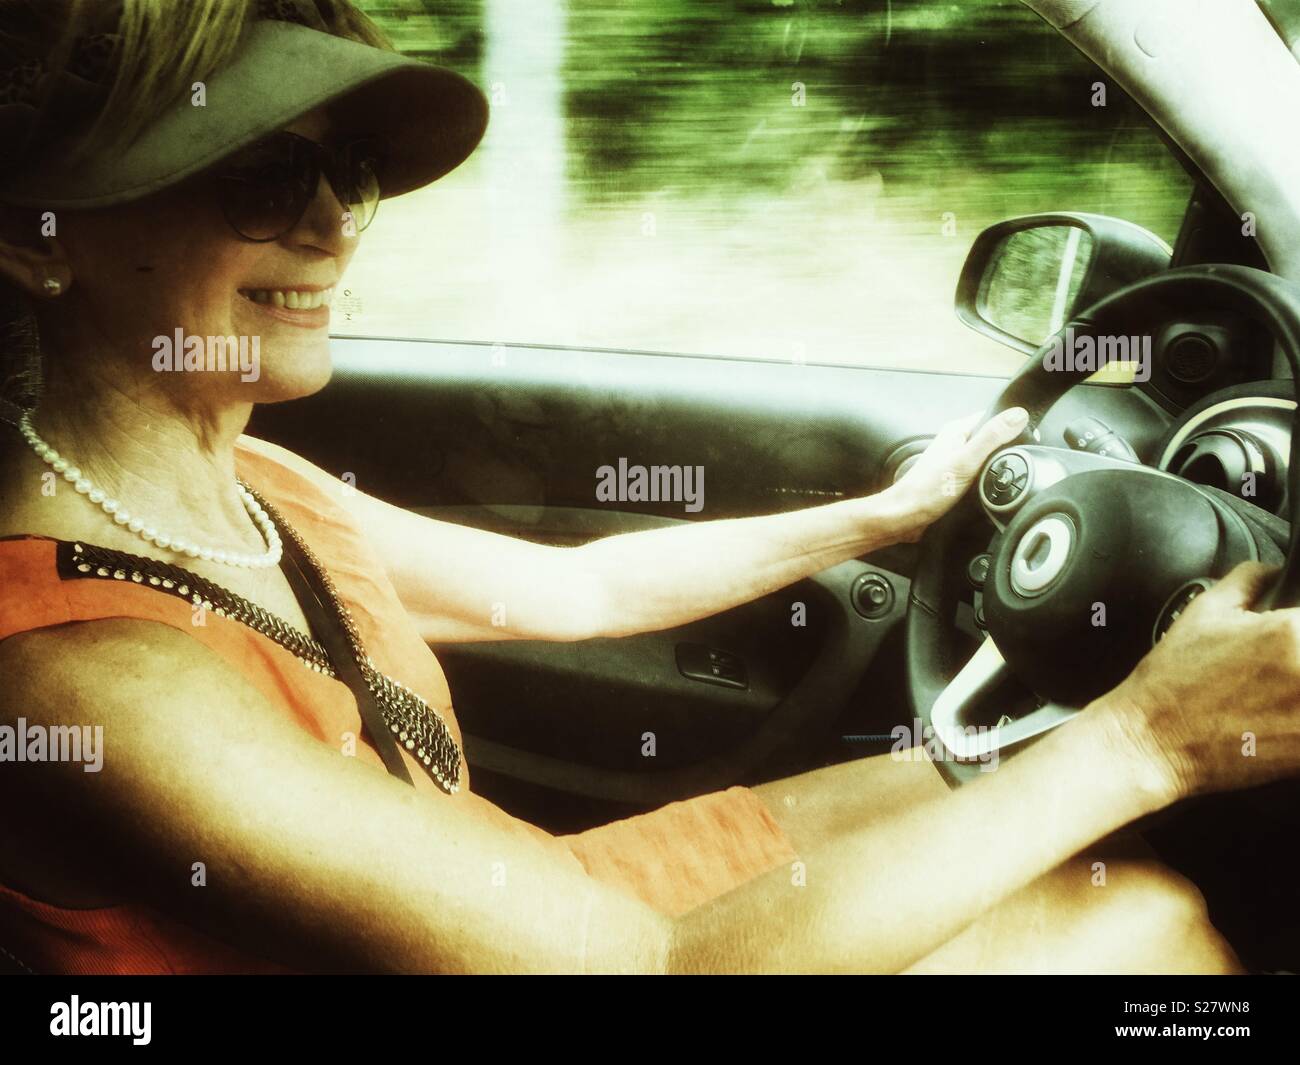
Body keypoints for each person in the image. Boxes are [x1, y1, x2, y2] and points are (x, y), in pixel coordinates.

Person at [0, 0, 1290, 975]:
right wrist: (1152, 740)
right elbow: (641, 968)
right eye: (263, 177)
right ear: (38, 238)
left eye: (352, 175)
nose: (333, 224)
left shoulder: (261, 489)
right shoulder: (92, 677)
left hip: (537, 895)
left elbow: (576, 587)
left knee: (994, 779)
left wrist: (884, 516)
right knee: (1140, 913)